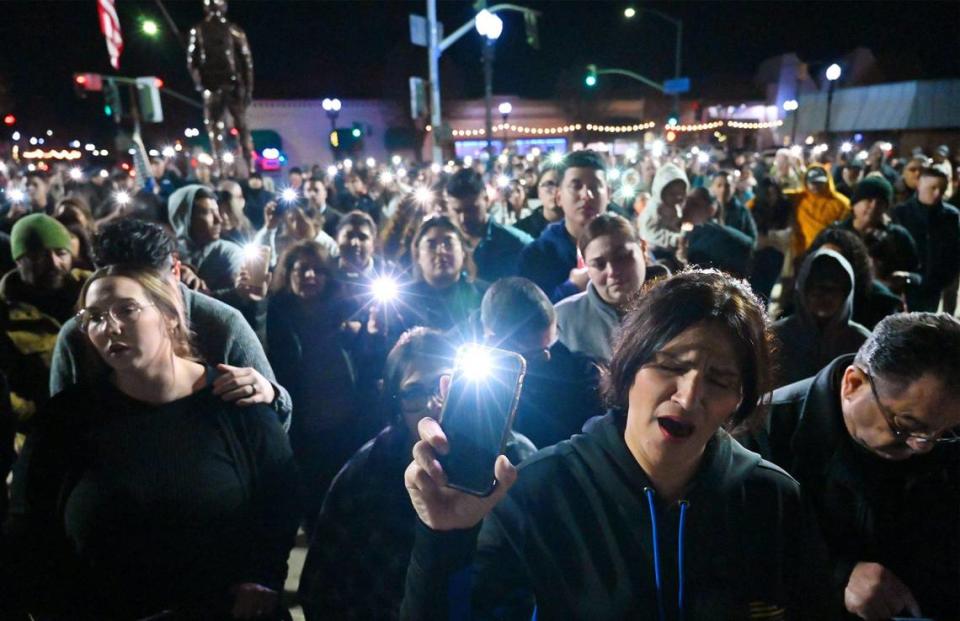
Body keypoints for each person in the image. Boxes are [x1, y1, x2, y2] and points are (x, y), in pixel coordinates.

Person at [401, 269, 834, 620]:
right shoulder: (537, 494)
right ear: (627, 370)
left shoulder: (771, 500)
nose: (687, 397)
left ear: (739, 400)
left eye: (719, 380)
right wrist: (443, 540)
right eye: (670, 365)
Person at [5, 265, 298, 619]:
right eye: (94, 317)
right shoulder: (64, 421)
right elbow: (29, 528)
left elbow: (280, 499)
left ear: (170, 316)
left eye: (126, 309)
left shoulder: (235, 403)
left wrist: (262, 577)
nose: (109, 326)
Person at [298, 328, 535, 620]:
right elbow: (322, 587)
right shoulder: (366, 471)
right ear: (395, 402)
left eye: (442, 385)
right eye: (413, 392)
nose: (432, 404)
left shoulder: (515, 460)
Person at [744, 313, 960, 620]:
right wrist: (838, 575)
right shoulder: (762, 433)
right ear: (853, 383)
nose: (922, 446)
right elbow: (743, 554)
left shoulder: (946, 444)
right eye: (905, 426)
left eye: (943, 432)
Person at [50, 218, 293, 428]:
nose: (113, 327)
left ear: (175, 270)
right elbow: (62, 425)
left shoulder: (221, 324)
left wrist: (270, 395)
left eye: (129, 308)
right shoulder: (79, 335)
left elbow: (273, 425)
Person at [266, 240, 377, 533]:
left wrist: (366, 335)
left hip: (344, 427)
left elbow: (368, 365)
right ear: (288, 273)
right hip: (300, 431)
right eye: (302, 269)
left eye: (318, 270)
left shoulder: (346, 314)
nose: (310, 277)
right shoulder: (273, 316)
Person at [481, 277, 603, 449]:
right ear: (495, 341)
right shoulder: (476, 384)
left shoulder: (580, 371)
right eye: (533, 354)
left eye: (550, 345)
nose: (547, 357)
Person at [0, 214, 88, 430]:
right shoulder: (4, 314)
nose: (53, 263)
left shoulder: (93, 293)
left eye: (61, 253)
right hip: (42, 436)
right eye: (39, 255)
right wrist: (38, 417)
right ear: (19, 260)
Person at [554, 213, 647, 364]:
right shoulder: (563, 320)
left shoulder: (679, 308)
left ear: (643, 248)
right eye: (599, 264)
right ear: (586, 267)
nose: (613, 271)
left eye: (622, 257)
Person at [519, 150, 609, 302]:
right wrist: (572, 288)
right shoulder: (537, 255)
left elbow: (652, 293)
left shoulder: (627, 244)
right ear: (559, 197)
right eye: (576, 186)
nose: (586, 195)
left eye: (595, 186)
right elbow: (528, 317)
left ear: (608, 194)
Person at [773, 248, 871, 386]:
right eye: (818, 288)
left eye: (834, 288)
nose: (826, 296)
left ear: (846, 292)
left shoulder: (862, 343)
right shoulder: (776, 337)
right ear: (803, 290)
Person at [445, 169, 532, 283]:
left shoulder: (517, 244)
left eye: (471, 210)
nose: (463, 218)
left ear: (486, 200)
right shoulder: (442, 246)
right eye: (457, 211)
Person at [892, 167, 960, 312]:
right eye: (933, 188)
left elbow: (955, 251)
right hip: (904, 285)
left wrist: (944, 279)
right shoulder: (900, 213)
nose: (937, 194)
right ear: (919, 185)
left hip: (933, 286)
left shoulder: (951, 216)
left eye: (942, 189)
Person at [809, 227, 903, 331]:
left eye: (835, 263)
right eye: (822, 262)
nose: (828, 270)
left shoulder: (880, 303)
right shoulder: (804, 297)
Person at [404, 215, 485, 334]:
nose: (441, 251)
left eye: (449, 244)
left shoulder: (484, 297)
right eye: (431, 245)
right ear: (418, 256)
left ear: (463, 251)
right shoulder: (402, 301)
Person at [834, 175, 919, 289]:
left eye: (880, 202)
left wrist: (907, 277)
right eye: (869, 200)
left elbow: (919, 275)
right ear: (855, 203)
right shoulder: (835, 235)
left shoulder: (898, 236)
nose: (874, 206)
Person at [168, 184, 245, 298]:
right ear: (185, 218)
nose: (218, 219)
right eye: (208, 212)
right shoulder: (166, 254)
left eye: (217, 211)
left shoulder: (229, 252)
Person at [785, 165, 851, 259]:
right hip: (802, 253)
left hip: (828, 254)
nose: (815, 186)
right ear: (806, 182)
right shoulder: (797, 198)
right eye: (812, 182)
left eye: (819, 182)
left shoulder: (842, 203)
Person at [637, 163, 690, 268]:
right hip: (655, 252)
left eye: (681, 193)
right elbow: (649, 232)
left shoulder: (675, 207)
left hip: (671, 250)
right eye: (672, 194)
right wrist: (673, 239)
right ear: (660, 190)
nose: (677, 197)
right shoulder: (654, 209)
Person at [708, 170, 758, 244]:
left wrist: (728, 232)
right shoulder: (706, 209)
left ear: (733, 187)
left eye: (727, 186)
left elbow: (752, 241)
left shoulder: (742, 212)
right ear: (713, 187)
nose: (723, 189)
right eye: (719, 185)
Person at [515, 165, 562, 239]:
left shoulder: (582, 230)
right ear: (539, 191)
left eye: (561, 185)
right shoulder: (520, 231)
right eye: (549, 184)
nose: (555, 190)